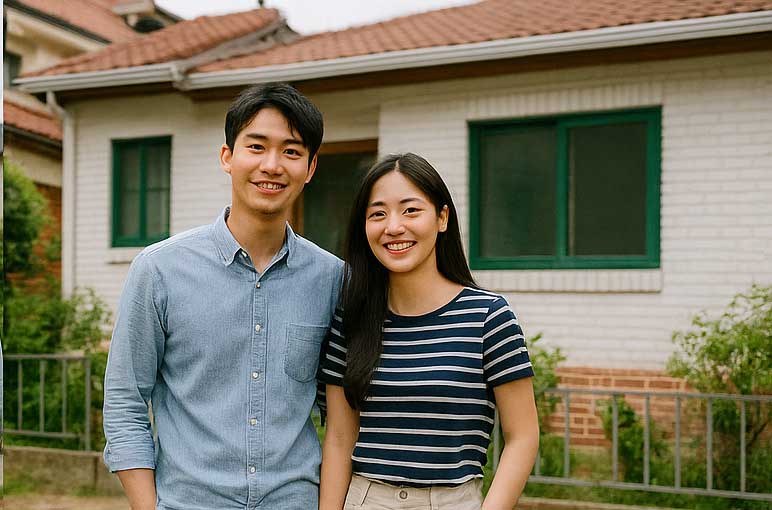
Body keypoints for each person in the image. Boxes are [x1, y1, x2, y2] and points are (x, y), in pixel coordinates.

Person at [103, 83, 343, 510]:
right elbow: (125, 400)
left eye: (291, 151)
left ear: (310, 168)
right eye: (256, 146)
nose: (272, 165)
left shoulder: (332, 278)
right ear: (227, 157)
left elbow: (341, 411)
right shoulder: (159, 270)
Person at [318, 153, 539, 510]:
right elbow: (340, 439)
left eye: (410, 210)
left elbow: (523, 436)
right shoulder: (352, 318)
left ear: (442, 218)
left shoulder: (488, 316)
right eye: (378, 213)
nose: (393, 227)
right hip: (365, 500)